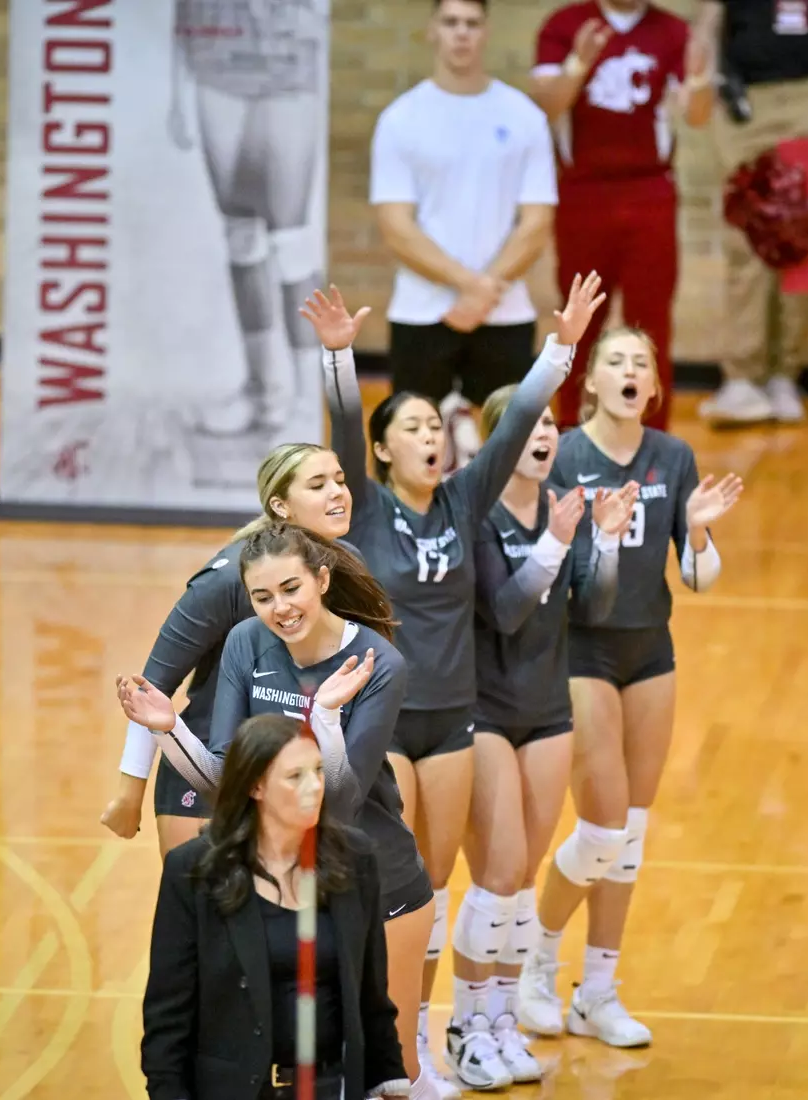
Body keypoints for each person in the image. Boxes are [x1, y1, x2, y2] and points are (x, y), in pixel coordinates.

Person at [307, 273, 603, 1094]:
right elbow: (337, 425)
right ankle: (363, 1049)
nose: (432, 436)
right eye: (412, 427)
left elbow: (509, 434)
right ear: (381, 450)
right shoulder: (362, 507)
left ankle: (423, 1051)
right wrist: (338, 358)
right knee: (385, 891)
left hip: (453, 721)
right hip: (382, 721)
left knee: (431, 896)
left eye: (437, 425)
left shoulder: (464, 502)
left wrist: (563, 346)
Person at [119, 523, 439, 1094]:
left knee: (389, 1070)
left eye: (291, 589)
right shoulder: (246, 641)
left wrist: (325, 720)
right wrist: (169, 732)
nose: (280, 609)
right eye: (263, 596)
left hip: (369, 876)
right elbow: (228, 779)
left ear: (321, 580)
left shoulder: (377, 663)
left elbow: (336, 803)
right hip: (273, 871)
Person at [518, 326, 744, 1046]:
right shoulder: (567, 456)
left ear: (654, 388)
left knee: (632, 835)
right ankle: (535, 959)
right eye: (613, 360)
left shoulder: (673, 457)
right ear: (590, 384)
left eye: (639, 364)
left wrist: (701, 534)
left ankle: (599, 991)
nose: (627, 370)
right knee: (602, 828)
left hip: (652, 652)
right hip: (581, 651)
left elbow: (699, 580)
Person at [441, 386, 636, 1089]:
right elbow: (507, 608)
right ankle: (465, 1025)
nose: (545, 434)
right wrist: (556, 542)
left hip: (548, 708)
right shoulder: (477, 514)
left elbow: (596, 604)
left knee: (523, 878)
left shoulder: (566, 503)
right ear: (499, 443)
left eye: (552, 423)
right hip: (486, 709)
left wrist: (604, 541)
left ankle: (501, 1022)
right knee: (497, 872)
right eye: (529, 426)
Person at [101, 443, 354, 856]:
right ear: (281, 505)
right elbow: (152, 685)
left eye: (340, 481)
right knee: (206, 918)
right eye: (318, 484)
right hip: (204, 773)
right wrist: (129, 792)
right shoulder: (228, 579)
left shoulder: (341, 569)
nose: (337, 492)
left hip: (285, 776)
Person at [141, 713, 408, 1100]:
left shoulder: (354, 858)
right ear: (256, 787)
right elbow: (167, 1019)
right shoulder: (195, 871)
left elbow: (372, 997)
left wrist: (390, 1080)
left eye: (318, 771)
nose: (315, 786)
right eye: (295, 776)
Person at [370, 0, 558, 471]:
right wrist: (470, 285)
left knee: (514, 454)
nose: (461, 33)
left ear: (486, 32)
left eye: (472, 24)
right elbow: (396, 226)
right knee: (408, 456)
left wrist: (484, 291)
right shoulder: (401, 118)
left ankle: (504, 545)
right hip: (422, 312)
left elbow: (536, 224)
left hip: (504, 314)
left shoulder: (522, 117)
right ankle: (404, 544)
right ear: (432, 30)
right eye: (451, 22)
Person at [690, 0, 808, 426]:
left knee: (802, 240)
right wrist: (708, 87)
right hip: (748, 100)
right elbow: (706, 28)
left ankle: (784, 376)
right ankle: (743, 377)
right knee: (746, 239)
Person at [528, 0, 714, 431]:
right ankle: (573, 434)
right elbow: (545, 108)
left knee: (650, 326)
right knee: (579, 322)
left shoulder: (672, 31)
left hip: (650, 192)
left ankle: (650, 440)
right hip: (583, 193)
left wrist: (701, 76)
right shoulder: (565, 25)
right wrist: (578, 63)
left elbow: (698, 116)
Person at [169, 0, 327, 434]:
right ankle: (263, 393)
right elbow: (183, 15)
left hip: (288, 75)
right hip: (217, 73)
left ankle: (303, 400)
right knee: (240, 237)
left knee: (291, 242)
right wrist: (177, 94)